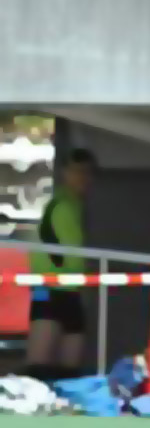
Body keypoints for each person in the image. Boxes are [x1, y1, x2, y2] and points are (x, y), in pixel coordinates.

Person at [24, 147, 96, 382]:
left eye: (87, 172)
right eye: (77, 171)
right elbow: (44, 250)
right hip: (49, 288)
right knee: (39, 367)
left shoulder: (77, 206)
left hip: (72, 291)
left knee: (69, 372)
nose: (82, 177)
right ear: (65, 173)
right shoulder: (58, 205)